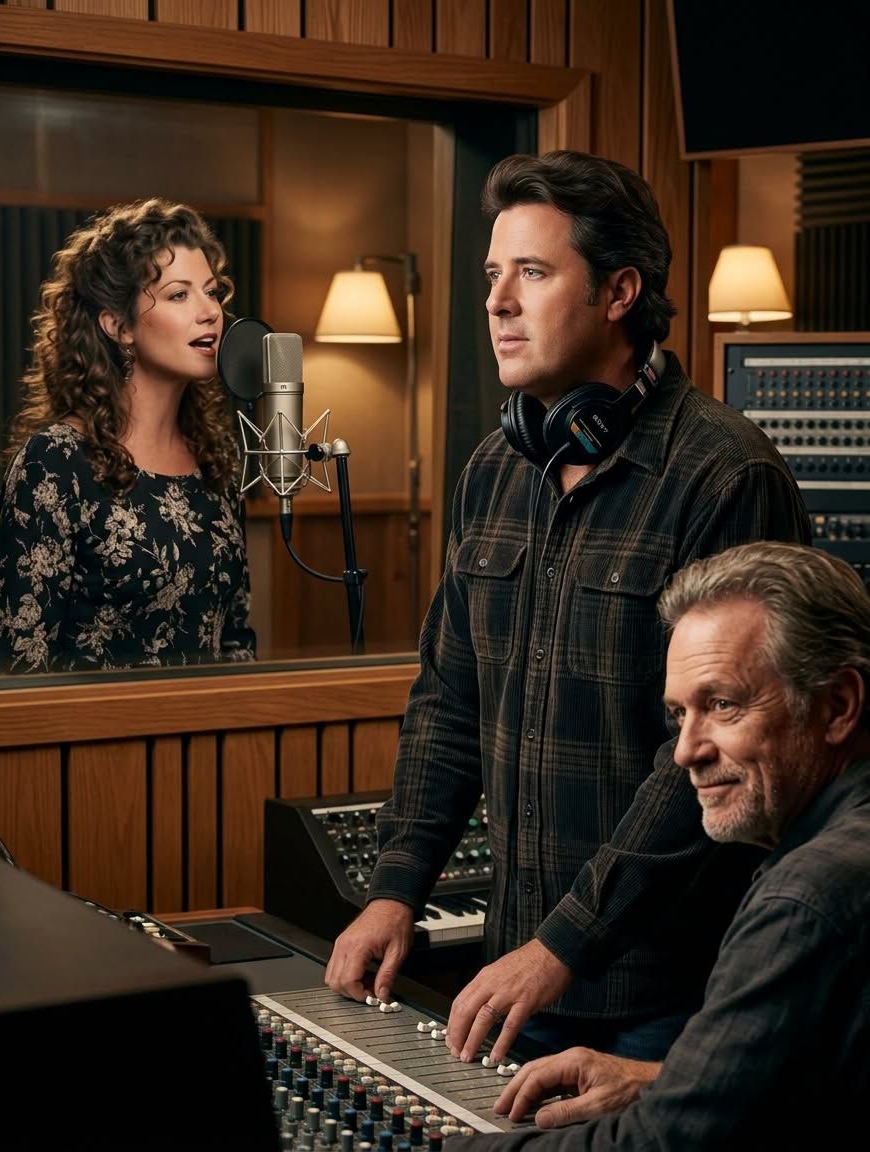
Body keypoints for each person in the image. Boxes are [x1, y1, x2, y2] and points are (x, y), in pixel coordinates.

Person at [325, 149, 811, 1065]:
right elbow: (448, 703)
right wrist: (395, 887)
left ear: (619, 291)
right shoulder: (491, 472)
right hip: (519, 977)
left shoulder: (727, 476)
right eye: (492, 275)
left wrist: (564, 945)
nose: (498, 301)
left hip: (670, 995)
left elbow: (718, 753)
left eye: (533, 273)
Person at [452, 540, 870, 1149]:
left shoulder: (807, 897)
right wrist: (659, 1079)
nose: (686, 751)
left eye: (722, 705)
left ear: (838, 706)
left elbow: (656, 1144)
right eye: (679, 715)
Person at [0, 197, 256, 673]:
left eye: (212, 292)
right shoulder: (55, 462)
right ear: (119, 325)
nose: (210, 312)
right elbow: (19, 664)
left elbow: (236, 639)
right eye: (179, 295)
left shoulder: (218, 459)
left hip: (209, 720)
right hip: (95, 723)